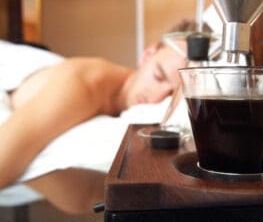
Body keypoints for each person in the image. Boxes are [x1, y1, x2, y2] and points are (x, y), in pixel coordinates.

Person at [0, 23, 193, 212]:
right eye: (158, 77)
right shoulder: (83, 87)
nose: (157, 96)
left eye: (170, 97)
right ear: (148, 54)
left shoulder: (115, 115)